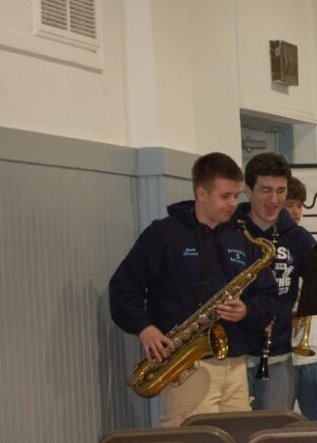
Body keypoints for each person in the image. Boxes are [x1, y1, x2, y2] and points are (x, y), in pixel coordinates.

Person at [109, 152, 275, 427]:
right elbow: (123, 288)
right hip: (187, 365)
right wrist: (145, 328)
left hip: (234, 365)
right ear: (201, 193)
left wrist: (247, 310)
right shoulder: (164, 234)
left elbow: (268, 298)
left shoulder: (242, 237)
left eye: (236, 196)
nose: (233, 204)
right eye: (225, 196)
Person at [235, 153, 314, 412]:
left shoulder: (298, 238)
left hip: (277, 354)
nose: (274, 200)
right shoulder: (229, 232)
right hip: (233, 357)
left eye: (281, 191)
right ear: (248, 190)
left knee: (275, 434)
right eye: (266, 190)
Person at [286, 176, 317, 420]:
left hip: (314, 348)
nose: (295, 212)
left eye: (299, 205)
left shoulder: (306, 241)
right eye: (289, 205)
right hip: (279, 351)